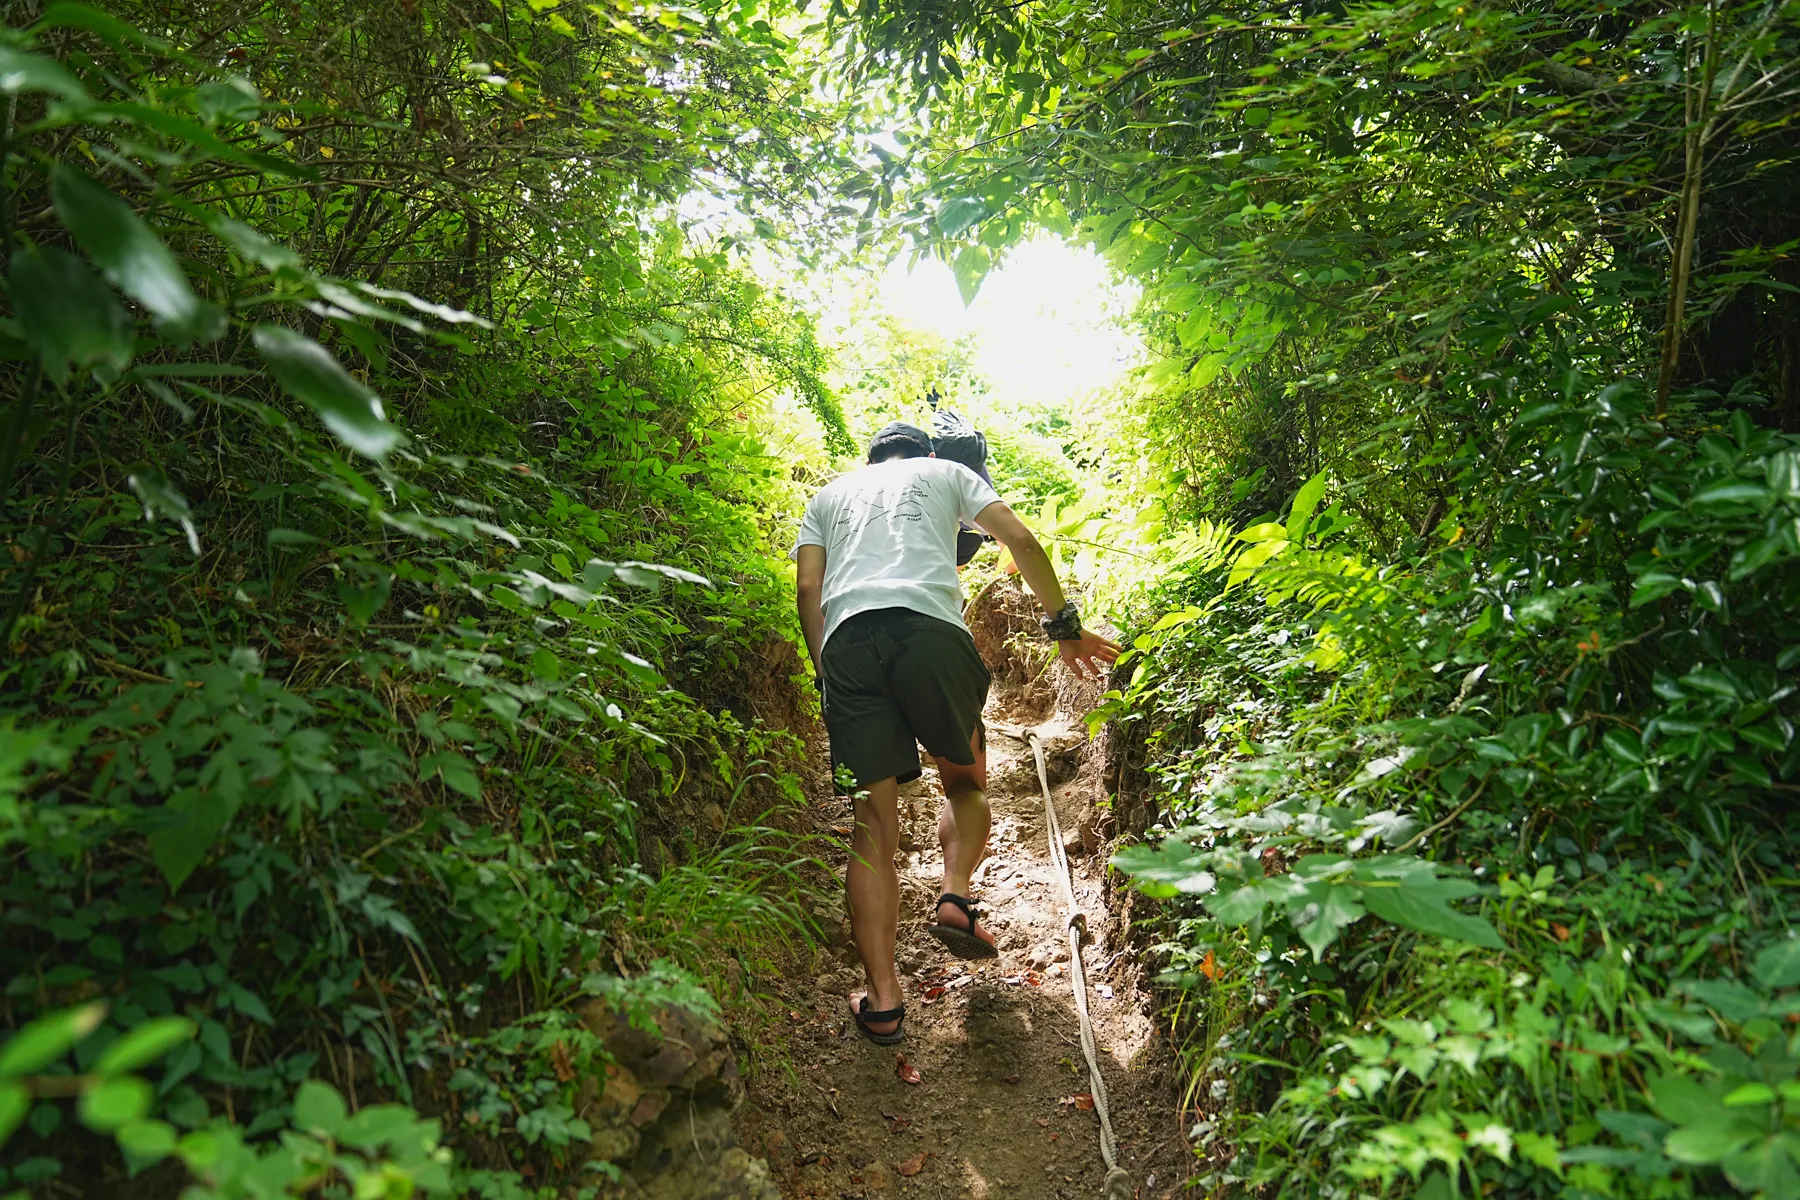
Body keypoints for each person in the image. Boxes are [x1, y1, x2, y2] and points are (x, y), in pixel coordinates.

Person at [792, 421, 1120, 1045]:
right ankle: (955, 898)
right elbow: (1020, 538)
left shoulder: (828, 496)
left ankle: (885, 1002)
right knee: (965, 783)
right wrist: (1064, 625)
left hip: (847, 646)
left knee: (872, 825)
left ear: (872, 459)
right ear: (926, 453)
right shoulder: (948, 473)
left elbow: (810, 588)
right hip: (931, 638)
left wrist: (826, 672)